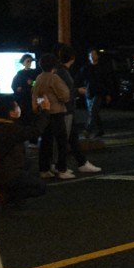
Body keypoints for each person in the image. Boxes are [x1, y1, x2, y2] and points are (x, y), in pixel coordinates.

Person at [0, 95, 48, 207]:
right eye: (16, 106)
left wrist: (36, 111)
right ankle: (4, 196)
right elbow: (34, 131)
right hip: (9, 173)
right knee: (40, 187)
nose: (19, 108)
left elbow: (25, 124)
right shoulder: (9, 129)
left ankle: (6, 195)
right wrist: (45, 112)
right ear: (11, 113)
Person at [55, 45, 101, 175]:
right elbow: (64, 92)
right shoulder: (63, 72)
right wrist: (77, 91)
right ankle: (61, 167)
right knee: (64, 140)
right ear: (72, 58)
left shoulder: (60, 71)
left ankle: (81, 163)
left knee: (72, 138)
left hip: (66, 109)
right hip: (65, 109)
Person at [33, 53, 72, 179]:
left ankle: (44, 169)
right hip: (56, 113)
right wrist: (59, 101)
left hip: (44, 114)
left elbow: (36, 95)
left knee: (46, 142)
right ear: (54, 65)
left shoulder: (39, 78)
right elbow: (65, 95)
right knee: (61, 142)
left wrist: (43, 104)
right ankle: (62, 169)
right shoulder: (54, 78)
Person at [80, 49, 112, 138]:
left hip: (99, 93)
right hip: (88, 93)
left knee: (93, 111)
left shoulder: (102, 68)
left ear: (98, 56)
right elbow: (81, 79)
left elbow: (107, 81)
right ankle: (100, 130)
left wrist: (108, 94)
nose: (92, 56)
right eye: (90, 55)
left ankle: (88, 129)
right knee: (94, 113)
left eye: (94, 54)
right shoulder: (85, 68)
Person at [10, 54, 39, 127]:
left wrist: (32, 83)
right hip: (23, 99)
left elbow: (39, 83)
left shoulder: (35, 72)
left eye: (30, 61)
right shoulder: (20, 73)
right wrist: (17, 89)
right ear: (23, 63)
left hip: (33, 98)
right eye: (27, 61)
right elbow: (14, 85)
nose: (29, 63)